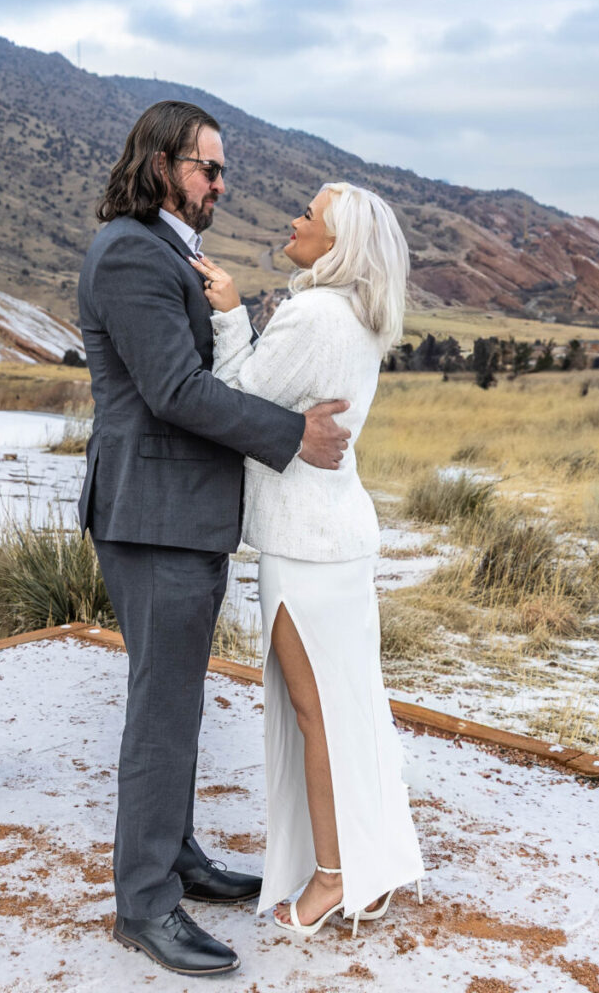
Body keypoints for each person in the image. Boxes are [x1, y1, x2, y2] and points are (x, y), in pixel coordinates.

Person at [76, 101, 351, 977]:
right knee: (163, 712)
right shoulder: (129, 251)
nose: (221, 185)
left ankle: (176, 858)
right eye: (208, 168)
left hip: (180, 516)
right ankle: (145, 903)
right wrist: (289, 434)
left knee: (178, 702)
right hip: (151, 515)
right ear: (161, 163)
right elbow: (176, 391)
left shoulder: (168, 248)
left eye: (222, 170)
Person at [192, 181, 425, 938]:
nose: (293, 220)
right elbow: (273, 410)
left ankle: (331, 879)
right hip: (337, 538)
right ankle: (368, 868)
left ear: (336, 245)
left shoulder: (314, 313)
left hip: (305, 544)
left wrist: (228, 314)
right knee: (349, 710)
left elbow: (231, 400)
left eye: (308, 216)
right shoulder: (355, 315)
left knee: (314, 714)